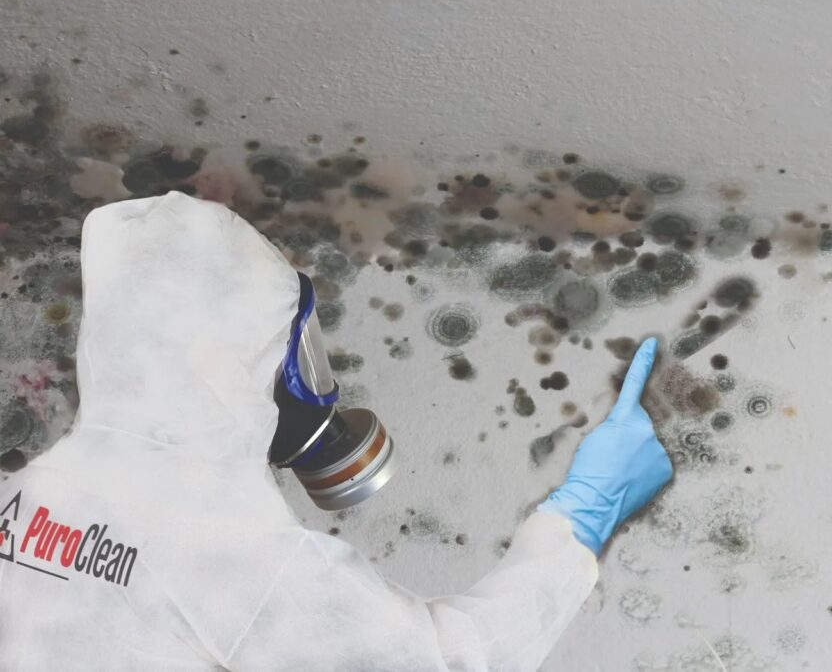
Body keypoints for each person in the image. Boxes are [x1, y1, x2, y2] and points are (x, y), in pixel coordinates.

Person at [0, 191, 672, 671]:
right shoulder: (231, 551)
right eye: (287, 347)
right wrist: (583, 513)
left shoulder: (23, 499)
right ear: (222, 350)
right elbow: (450, 662)